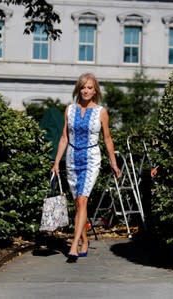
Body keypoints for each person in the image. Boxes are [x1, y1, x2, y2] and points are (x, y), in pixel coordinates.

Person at [51, 73, 121, 263]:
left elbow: (107, 138)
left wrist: (114, 163)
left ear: (95, 90)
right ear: (78, 89)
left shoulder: (101, 112)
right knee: (77, 204)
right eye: (83, 87)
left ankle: (73, 245)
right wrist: (57, 162)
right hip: (72, 159)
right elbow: (64, 137)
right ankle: (84, 240)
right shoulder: (70, 110)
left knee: (83, 200)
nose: (86, 90)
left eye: (90, 87)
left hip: (91, 159)